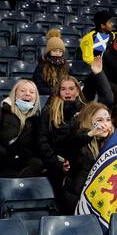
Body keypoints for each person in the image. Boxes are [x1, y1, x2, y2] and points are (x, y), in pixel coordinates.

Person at [38, 76, 85, 205]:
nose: (67, 92)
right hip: (56, 164)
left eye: (71, 89)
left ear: (77, 91)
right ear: (58, 92)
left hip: (79, 164)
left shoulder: (85, 111)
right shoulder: (48, 111)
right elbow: (42, 141)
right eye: (63, 89)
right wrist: (58, 165)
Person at [62, 102, 115, 214]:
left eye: (108, 120)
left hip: (103, 199)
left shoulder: (114, 142)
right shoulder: (80, 137)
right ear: (88, 121)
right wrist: (91, 134)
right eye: (99, 120)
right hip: (77, 198)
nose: (105, 124)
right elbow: (70, 143)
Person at [0, 80, 43, 186]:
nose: (27, 94)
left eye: (32, 92)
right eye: (22, 91)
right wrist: (3, 152)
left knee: (37, 163)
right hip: (0, 161)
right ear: (14, 94)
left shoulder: (36, 119)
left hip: (22, 161)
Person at [32, 29, 69, 95]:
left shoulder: (66, 66)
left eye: (60, 51)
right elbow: (38, 87)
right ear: (49, 52)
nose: (58, 53)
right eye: (54, 51)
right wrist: (54, 91)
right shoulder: (41, 66)